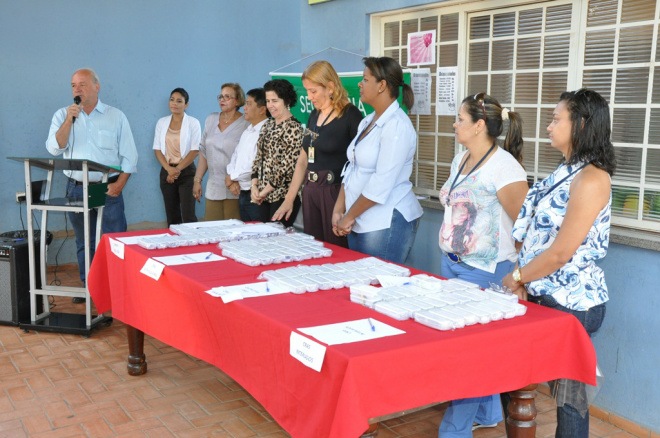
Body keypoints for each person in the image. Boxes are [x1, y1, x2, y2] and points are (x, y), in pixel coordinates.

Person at [502, 88, 615, 438]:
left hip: (572, 303)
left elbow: (561, 252)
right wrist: (523, 281)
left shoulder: (593, 178)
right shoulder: (567, 169)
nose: (549, 126)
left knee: (569, 399)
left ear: (580, 124)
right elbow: (534, 232)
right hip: (541, 293)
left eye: (556, 119)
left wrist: (518, 276)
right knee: (516, 383)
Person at [437, 92, 528, 438]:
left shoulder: (505, 167)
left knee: (470, 354)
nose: (454, 123)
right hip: (453, 264)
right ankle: (489, 411)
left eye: (460, 119)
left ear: (479, 126)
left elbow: (524, 225)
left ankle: (454, 430)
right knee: (471, 347)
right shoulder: (460, 159)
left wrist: (518, 275)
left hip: (487, 268)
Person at [46, 68, 138, 301]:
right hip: (77, 187)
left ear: (97, 87)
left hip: (107, 188)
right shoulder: (62, 115)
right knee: (84, 240)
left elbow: (130, 156)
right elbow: (54, 148)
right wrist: (69, 119)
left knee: (113, 239)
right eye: (73, 85)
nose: (77, 89)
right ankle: (89, 289)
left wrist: (120, 185)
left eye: (82, 84)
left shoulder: (115, 116)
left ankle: (116, 290)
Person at [332, 56, 422, 264]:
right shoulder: (367, 121)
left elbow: (381, 183)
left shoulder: (397, 125)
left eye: (365, 79)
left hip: (384, 220)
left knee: (377, 286)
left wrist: (348, 216)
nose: (359, 84)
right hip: (358, 218)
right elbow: (351, 168)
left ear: (382, 85)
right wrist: (339, 209)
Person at [272, 61, 363, 246]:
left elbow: (359, 165)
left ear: (330, 87)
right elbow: (302, 161)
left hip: (335, 192)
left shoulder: (351, 116)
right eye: (307, 91)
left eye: (313, 91)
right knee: (314, 248)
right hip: (310, 191)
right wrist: (289, 200)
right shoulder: (314, 116)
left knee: (336, 250)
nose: (309, 96)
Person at [251, 79, 303, 227]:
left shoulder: (294, 128)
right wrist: (254, 186)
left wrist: (265, 191)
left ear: (286, 101)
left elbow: (286, 168)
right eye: (268, 101)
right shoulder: (267, 124)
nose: (270, 105)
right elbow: (258, 158)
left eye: (275, 100)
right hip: (262, 195)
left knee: (278, 240)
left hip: (282, 196)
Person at [193, 83, 249, 221]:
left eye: (227, 97)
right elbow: (203, 153)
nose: (222, 100)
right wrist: (197, 180)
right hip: (213, 186)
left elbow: (248, 157)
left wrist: (236, 179)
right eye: (221, 97)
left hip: (235, 187)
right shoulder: (211, 119)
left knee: (233, 232)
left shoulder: (246, 123)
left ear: (237, 101)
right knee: (211, 230)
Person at [152, 88, 201, 226]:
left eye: (179, 101)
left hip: (186, 172)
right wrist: (169, 169)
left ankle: (192, 245)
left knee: (188, 215)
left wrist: (177, 169)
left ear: (186, 105)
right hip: (167, 171)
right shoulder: (162, 122)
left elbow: (194, 150)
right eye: (172, 99)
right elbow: (157, 149)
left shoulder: (193, 123)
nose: (174, 103)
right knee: (172, 216)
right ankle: (174, 246)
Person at [226, 88, 269, 221]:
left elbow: (256, 166)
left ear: (262, 109)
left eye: (249, 104)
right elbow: (235, 156)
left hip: (258, 194)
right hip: (242, 192)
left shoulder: (267, 132)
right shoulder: (248, 130)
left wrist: (232, 177)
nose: (244, 108)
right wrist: (231, 177)